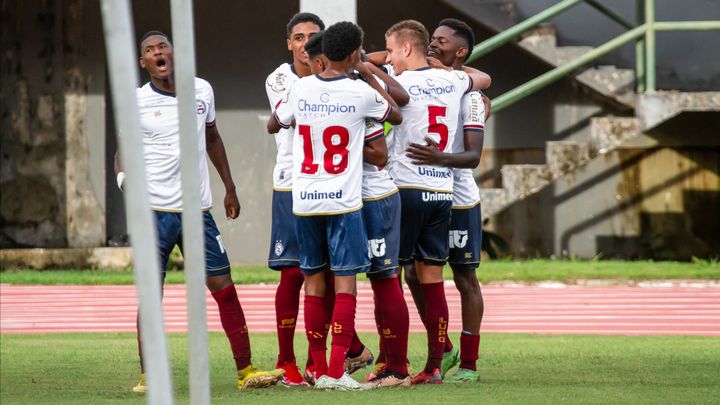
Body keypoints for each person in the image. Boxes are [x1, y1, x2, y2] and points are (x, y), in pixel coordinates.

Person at [116, 31, 283, 392]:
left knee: (224, 287)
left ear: (173, 53)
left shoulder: (202, 90)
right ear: (143, 62)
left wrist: (230, 187)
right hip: (154, 212)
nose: (158, 52)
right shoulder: (136, 100)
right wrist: (123, 179)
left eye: (162, 46)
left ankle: (246, 371)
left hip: (197, 211)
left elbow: (212, 138)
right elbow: (123, 149)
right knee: (152, 294)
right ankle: (149, 375)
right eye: (149, 50)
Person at [268, 21, 402, 390]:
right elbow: (396, 113)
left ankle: (315, 366)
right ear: (356, 53)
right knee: (345, 284)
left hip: (304, 199)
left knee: (312, 282)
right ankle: (335, 371)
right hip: (344, 201)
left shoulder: (300, 88)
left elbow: (272, 124)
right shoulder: (361, 93)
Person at [381, 19, 490, 384]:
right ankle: (439, 349)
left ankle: (469, 363)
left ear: (460, 52)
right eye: (431, 39)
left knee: (463, 277)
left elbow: (473, 152)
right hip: (437, 187)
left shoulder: (469, 93)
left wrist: (440, 157)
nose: (433, 46)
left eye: (441, 42)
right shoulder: (451, 82)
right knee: (415, 272)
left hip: (458, 195)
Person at [306, 32, 413, 388]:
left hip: (373, 196)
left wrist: (369, 73)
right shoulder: (351, 93)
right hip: (343, 198)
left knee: (384, 280)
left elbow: (381, 153)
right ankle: (350, 358)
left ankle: (395, 366)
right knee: (338, 281)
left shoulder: (361, 93)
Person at [264, 12, 326, 387]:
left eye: (313, 37)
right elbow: (295, 116)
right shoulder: (279, 79)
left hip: (332, 186)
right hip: (291, 184)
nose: (305, 43)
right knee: (292, 273)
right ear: (289, 43)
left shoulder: (340, 73)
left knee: (330, 275)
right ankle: (286, 358)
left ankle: (316, 360)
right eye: (299, 38)